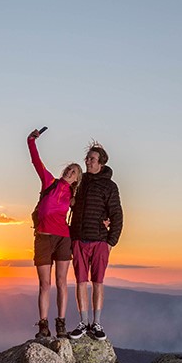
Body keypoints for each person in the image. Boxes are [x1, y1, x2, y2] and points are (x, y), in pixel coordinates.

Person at [27, 128, 82, 339]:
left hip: (63, 238)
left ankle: (60, 324)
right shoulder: (49, 182)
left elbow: (90, 210)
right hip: (43, 236)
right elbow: (36, 161)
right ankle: (43, 326)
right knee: (45, 284)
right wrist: (31, 140)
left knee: (61, 282)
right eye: (69, 168)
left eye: (74, 171)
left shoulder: (74, 196)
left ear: (77, 179)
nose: (70, 172)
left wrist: (106, 220)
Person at [67, 141, 123, 341]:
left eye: (92, 159)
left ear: (101, 162)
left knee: (97, 282)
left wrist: (110, 242)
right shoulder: (79, 183)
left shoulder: (109, 186)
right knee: (81, 281)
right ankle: (83, 323)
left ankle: (96, 323)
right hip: (79, 239)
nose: (88, 162)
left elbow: (117, 215)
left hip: (99, 241)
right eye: (87, 159)